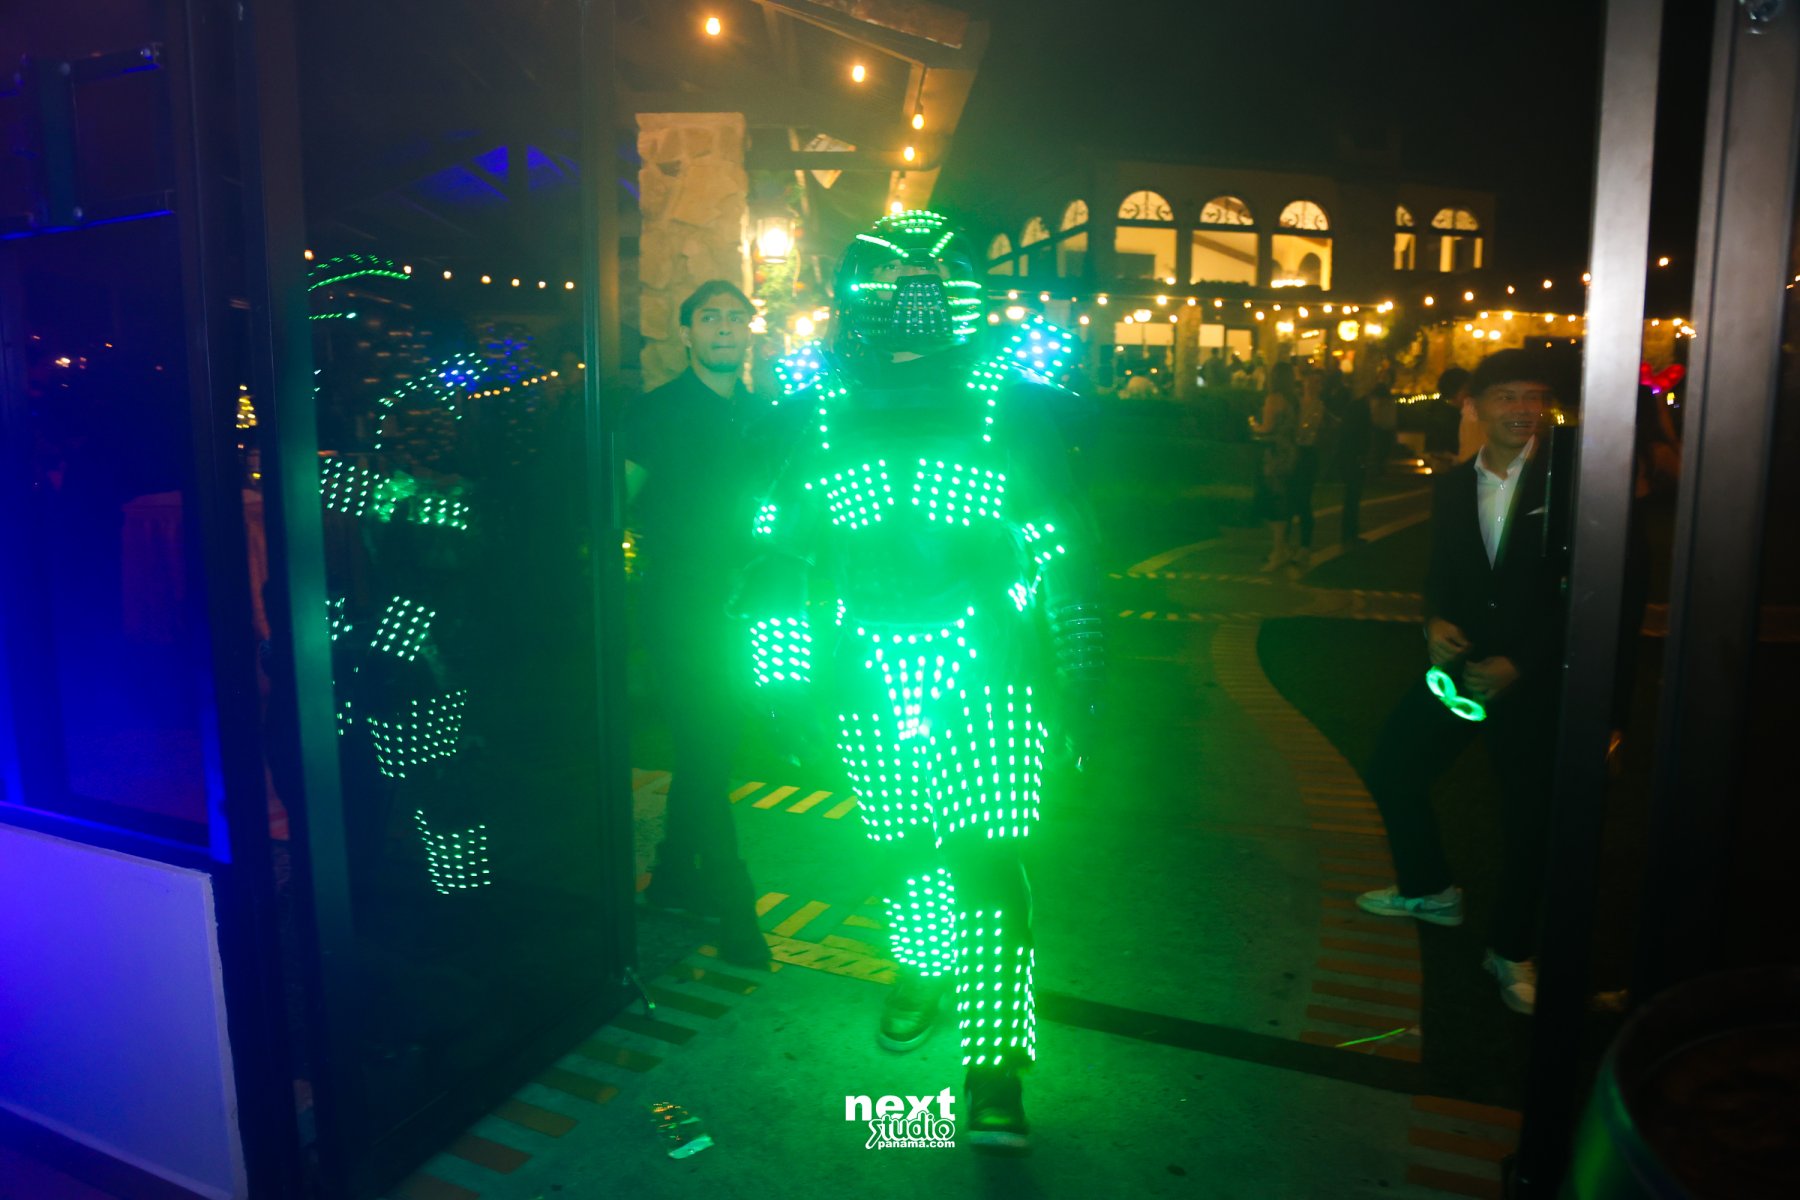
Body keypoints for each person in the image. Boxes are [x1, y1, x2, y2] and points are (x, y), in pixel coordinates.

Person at [740, 210, 1104, 1151]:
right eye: (895, 286)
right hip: (868, 673)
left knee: (986, 865)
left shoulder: (1006, 404)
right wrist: (782, 681)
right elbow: (780, 557)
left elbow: (1062, 548)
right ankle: (923, 967)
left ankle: (995, 1066)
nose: (913, 303)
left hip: (991, 673)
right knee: (904, 848)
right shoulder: (822, 412)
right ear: (860, 296)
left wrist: (1080, 680)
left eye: (929, 286)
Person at [1355, 349, 1566, 1015]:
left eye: (1533, 396)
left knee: (1528, 820)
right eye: (1507, 396)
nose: (1523, 409)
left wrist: (1522, 663)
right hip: (1460, 669)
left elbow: (1589, 589)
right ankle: (1431, 889)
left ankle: (1511, 949)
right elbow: (1443, 570)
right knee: (1392, 768)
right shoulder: (1452, 486)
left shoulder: (1572, 483)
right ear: (1473, 406)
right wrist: (1433, 621)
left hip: (1533, 680)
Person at [623, 279, 779, 967]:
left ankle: (672, 874)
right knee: (707, 743)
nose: (724, 327)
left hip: (747, 610)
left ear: (748, 331)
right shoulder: (654, 413)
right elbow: (612, 503)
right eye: (710, 317)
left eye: (735, 317)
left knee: (710, 747)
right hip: (681, 609)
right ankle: (734, 903)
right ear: (686, 333)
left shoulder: (765, 416)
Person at [1249, 360, 1299, 571]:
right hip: (1289, 453)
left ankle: (1278, 551)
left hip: (1274, 454)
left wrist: (1254, 425)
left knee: (1274, 500)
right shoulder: (1292, 399)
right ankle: (1283, 548)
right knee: (1283, 499)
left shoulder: (1273, 399)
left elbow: (1267, 428)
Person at [1331, 369, 1379, 547]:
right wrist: (1362, 455)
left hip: (1352, 455)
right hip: (1354, 456)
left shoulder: (1357, 405)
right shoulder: (1360, 407)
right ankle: (1349, 533)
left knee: (1352, 496)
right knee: (1353, 495)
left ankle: (1349, 532)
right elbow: (1358, 434)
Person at [1286, 366, 1327, 569]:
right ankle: (1285, 545)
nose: (1310, 385)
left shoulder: (1319, 407)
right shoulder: (1296, 403)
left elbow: (1308, 430)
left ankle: (1304, 546)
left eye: (1316, 382)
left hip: (1306, 454)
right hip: (1293, 452)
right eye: (1308, 381)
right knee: (1288, 498)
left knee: (1303, 500)